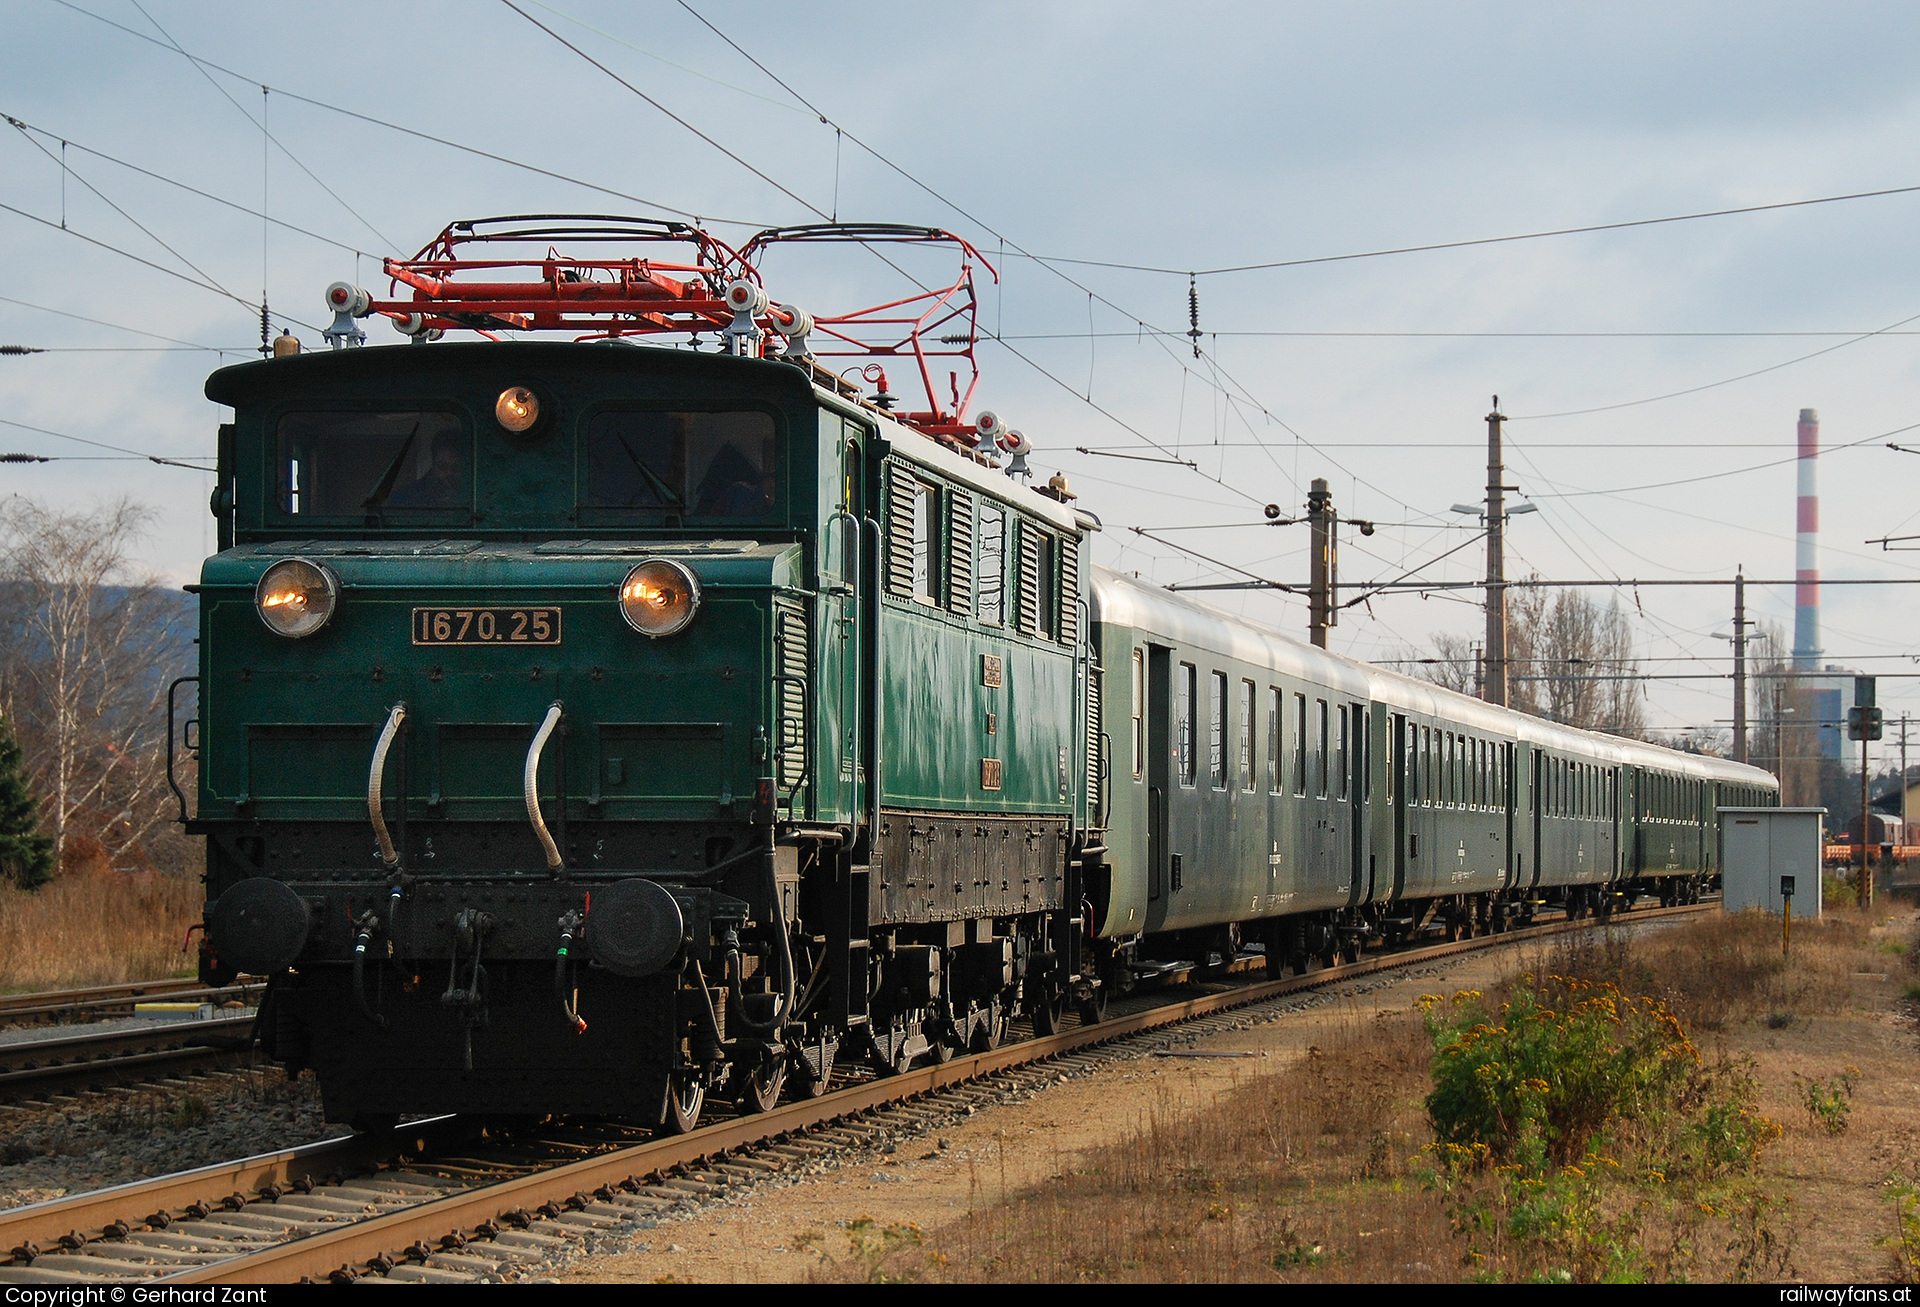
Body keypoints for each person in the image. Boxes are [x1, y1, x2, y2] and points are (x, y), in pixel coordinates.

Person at [388, 431, 466, 509]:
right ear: (433, 464)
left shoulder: (473, 496)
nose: (448, 473)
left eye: (456, 468)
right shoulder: (405, 497)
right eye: (442, 467)